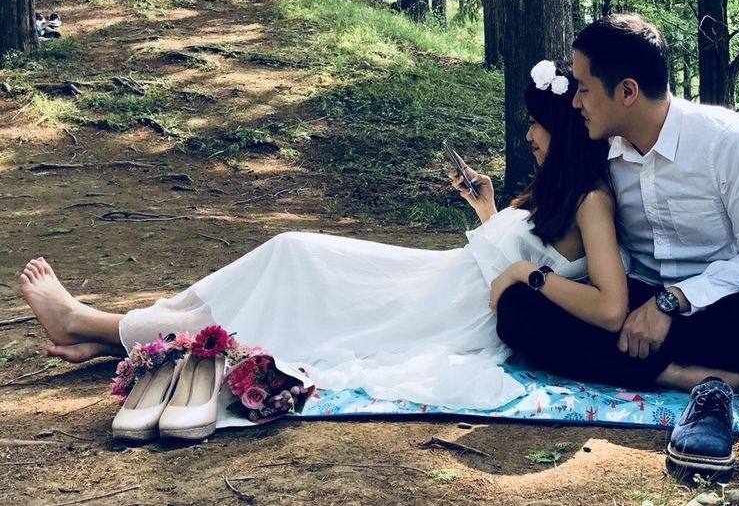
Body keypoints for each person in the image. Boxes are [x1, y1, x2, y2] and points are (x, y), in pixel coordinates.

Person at [18, 62, 626, 412]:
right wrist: (487, 207)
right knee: (291, 257)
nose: (528, 137)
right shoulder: (554, 192)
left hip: (448, 310)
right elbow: (510, 253)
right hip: (436, 279)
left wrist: (525, 275)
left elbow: (608, 306)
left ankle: (93, 325)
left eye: (536, 125)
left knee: (296, 285)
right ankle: (116, 332)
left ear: (566, 134)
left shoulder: (592, 201)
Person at [495, 14, 739, 479]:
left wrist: (672, 302)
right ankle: (705, 378)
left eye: (585, 89)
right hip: (630, 310)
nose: (575, 102)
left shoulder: (729, 142)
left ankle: (669, 365)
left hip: (720, 309)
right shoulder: (599, 150)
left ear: (627, 91)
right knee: (519, 310)